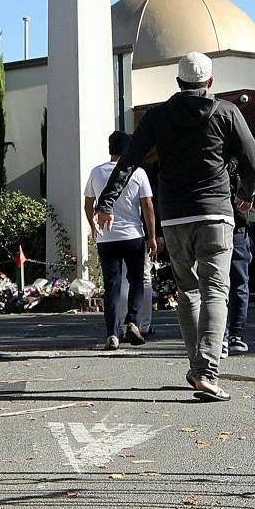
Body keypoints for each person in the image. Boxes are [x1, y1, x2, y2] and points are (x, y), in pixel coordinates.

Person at [93, 52, 255, 400]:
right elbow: (253, 156)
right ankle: (207, 372)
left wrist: (106, 202)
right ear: (210, 83)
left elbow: (130, 160)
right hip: (216, 213)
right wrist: (245, 193)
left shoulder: (157, 116)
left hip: (176, 217)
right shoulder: (226, 111)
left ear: (179, 83)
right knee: (217, 291)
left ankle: (196, 367)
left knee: (189, 291)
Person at [84, 131, 158, 350]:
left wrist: (93, 225)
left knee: (112, 285)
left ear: (110, 148)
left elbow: (88, 203)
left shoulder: (96, 172)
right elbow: (148, 206)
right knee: (136, 280)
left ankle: (111, 333)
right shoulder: (138, 172)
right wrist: (152, 236)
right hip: (133, 235)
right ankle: (133, 321)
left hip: (107, 238)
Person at [225, 180, 255, 355]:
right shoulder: (242, 169)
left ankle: (219, 336)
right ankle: (235, 336)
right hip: (237, 228)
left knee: (212, 284)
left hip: (211, 226)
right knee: (239, 284)